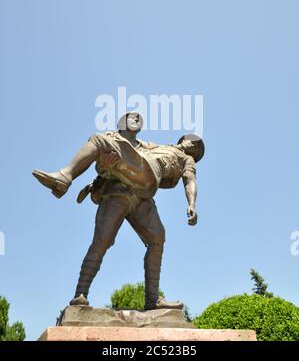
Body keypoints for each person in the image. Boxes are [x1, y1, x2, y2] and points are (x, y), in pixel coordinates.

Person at [33, 112, 204, 309]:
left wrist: (192, 204)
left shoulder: (186, 160)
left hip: (144, 189)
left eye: (197, 146)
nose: (192, 144)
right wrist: (104, 169)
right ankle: (80, 294)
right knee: (101, 240)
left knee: (157, 237)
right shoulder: (154, 145)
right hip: (118, 189)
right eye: (191, 140)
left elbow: (190, 181)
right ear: (182, 139)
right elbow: (124, 153)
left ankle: (152, 299)